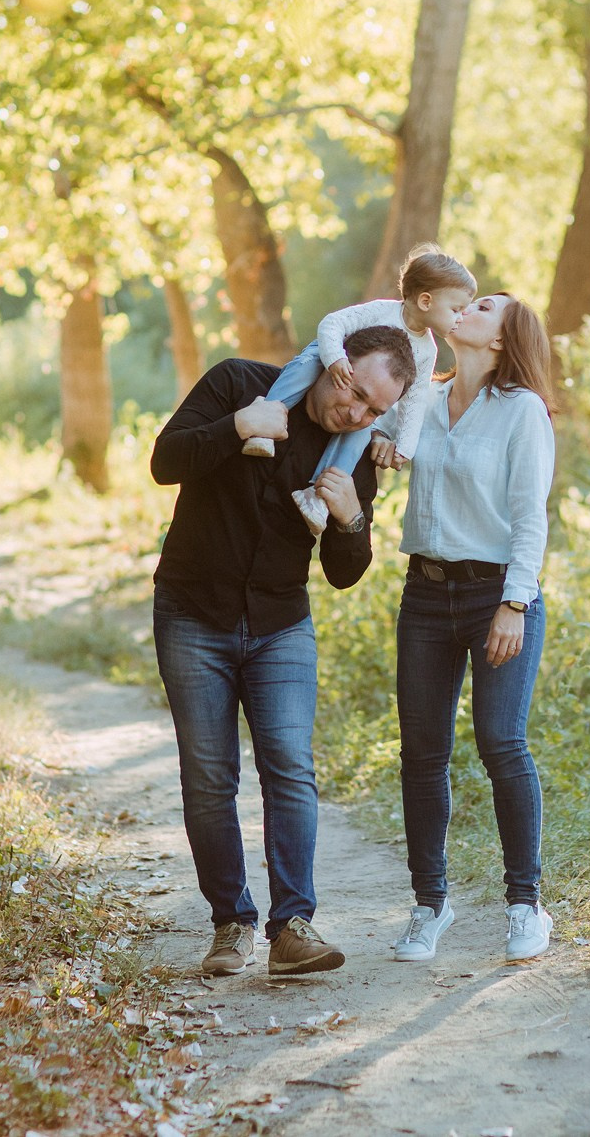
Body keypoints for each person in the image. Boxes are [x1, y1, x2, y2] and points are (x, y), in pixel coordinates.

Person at [150, 324, 419, 978]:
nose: (355, 413)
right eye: (353, 391)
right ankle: (230, 923)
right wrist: (236, 427)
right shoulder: (241, 383)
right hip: (193, 613)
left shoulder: (352, 449)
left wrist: (353, 519)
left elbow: (342, 572)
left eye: (374, 410)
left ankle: (292, 925)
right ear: (336, 361)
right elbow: (165, 462)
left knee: (291, 765)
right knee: (209, 777)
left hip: (280, 625)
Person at [385, 293, 560, 964]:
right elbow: (385, 447)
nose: (468, 304)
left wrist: (514, 604)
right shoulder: (421, 399)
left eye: (484, 306)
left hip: (498, 595)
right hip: (426, 593)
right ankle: (431, 903)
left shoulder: (522, 412)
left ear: (502, 338)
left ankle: (527, 903)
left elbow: (529, 517)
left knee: (500, 741)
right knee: (423, 752)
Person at [241, 245, 477, 535]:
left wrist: (404, 447)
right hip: (333, 361)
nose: (461, 318)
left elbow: (414, 400)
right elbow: (333, 324)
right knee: (305, 366)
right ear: (426, 301)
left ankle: (317, 495)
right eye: (456, 310)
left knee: (360, 432)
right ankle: (264, 426)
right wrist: (335, 358)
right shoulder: (382, 311)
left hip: (362, 397)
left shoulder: (427, 350)